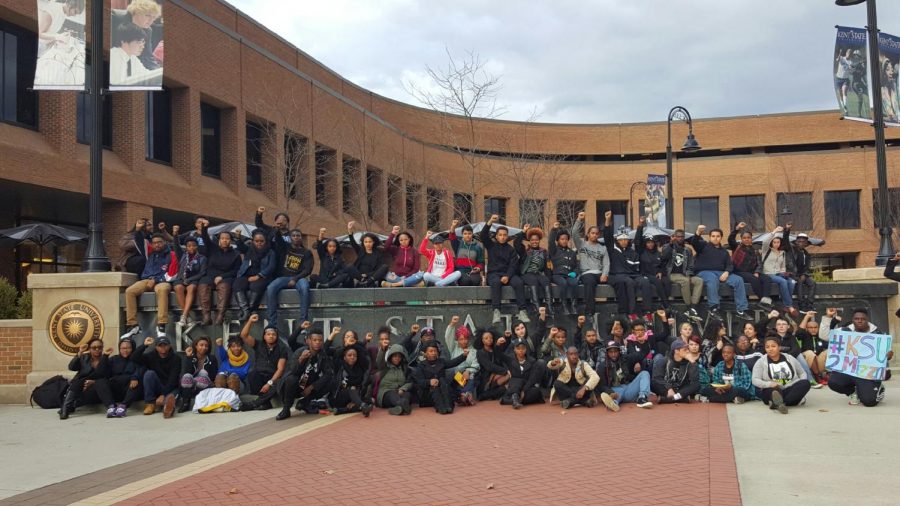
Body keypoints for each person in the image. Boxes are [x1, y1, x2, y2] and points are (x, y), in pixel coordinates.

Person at [825, 308, 889, 407]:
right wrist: (829, 318)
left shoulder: (877, 334)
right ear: (853, 319)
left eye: (862, 319)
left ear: (867, 319)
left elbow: (882, 358)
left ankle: (879, 389)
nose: (859, 321)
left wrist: (887, 357)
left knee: (869, 402)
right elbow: (825, 336)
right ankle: (852, 392)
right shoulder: (844, 330)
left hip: (867, 374)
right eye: (856, 318)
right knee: (833, 382)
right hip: (849, 370)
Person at [688, 225, 752, 320]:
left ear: (721, 237)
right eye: (713, 236)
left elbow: (730, 265)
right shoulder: (703, 246)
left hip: (721, 273)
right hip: (704, 272)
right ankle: (713, 308)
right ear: (710, 237)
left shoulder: (724, 252)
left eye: (718, 236)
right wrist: (698, 232)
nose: (715, 238)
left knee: (738, 280)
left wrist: (726, 272)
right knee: (712, 279)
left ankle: (741, 310)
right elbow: (694, 242)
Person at [122, 233, 176, 340]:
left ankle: (161, 325)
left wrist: (156, 280)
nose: (157, 245)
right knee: (129, 291)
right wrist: (138, 230)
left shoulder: (171, 254)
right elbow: (139, 242)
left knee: (163, 289)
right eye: (155, 243)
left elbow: (172, 274)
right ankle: (133, 325)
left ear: (164, 242)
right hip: (146, 279)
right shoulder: (149, 254)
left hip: (162, 280)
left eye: (159, 242)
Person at [603, 212, 653, 318]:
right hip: (618, 274)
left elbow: (638, 240)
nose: (624, 241)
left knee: (645, 281)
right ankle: (632, 312)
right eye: (621, 240)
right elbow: (607, 237)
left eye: (626, 239)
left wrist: (640, 225)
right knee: (629, 282)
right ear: (618, 240)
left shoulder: (632, 250)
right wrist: (607, 221)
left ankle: (648, 311)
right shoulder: (613, 249)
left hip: (634, 274)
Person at [482, 214, 529, 323]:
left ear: (507, 236)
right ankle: (496, 311)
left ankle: (522, 311)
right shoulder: (491, 245)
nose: (502, 237)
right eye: (500, 235)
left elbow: (514, 265)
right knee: (495, 283)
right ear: (496, 236)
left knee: (519, 282)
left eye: (504, 235)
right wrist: (490, 222)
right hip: (494, 274)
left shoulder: (511, 249)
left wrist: (507, 276)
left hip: (508, 274)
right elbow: (484, 235)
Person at [277, 331, 334, 420]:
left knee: (330, 381)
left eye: (320, 340)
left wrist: (312, 387)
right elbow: (293, 371)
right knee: (292, 379)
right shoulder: (300, 352)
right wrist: (301, 359)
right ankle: (286, 409)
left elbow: (328, 374)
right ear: (308, 341)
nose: (317, 342)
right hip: (294, 386)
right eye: (314, 340)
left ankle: (304, 403)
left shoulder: (322, 355)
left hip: (308, 385)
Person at [240, 315, 289, 411]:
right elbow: (244, 335)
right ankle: (265, 403)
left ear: (277, 336)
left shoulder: (282, 349)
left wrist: (269, 383)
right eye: (268, 334)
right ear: (264, 336)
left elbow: (280, 369)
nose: (271, 336)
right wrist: (250, 321)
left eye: (273, 334)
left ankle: (254, 404)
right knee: (252, 374)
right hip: (259, 376)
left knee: (279, 383)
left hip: (273, 378)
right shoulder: (258, 345)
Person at [266, 228, 314, 325]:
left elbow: (308, 270)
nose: (296, 237)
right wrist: (277, 230)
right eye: (294, 236)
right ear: (290, 238)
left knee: (305, 288)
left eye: (298, 236)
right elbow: (278, 239)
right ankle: (272, 323)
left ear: (301, 238)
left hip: (299, 278)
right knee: (270, 288)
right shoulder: (285, 247)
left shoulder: (307, 252)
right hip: (283, 278)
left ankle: (303, 320)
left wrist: (295, 279)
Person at [751, 336, 810, 414]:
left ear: (779, 347)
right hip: (773, 389)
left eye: (773, 346)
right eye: (767, 347)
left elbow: (802, 372)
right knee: (772, 391)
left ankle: (778, 403)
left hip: (789, 389)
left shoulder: (789, 358)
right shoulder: (761, 361)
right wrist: (769, 384)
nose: (770, 349)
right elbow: (755, 379)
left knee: (805, 383)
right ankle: (788, 401)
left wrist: (800, 381)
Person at [59, 338, 113, 420]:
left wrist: (93, 382)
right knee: (78, 382)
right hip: (81, 388)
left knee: (99, 382)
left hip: (97, 390)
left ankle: (111, 408)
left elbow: (105, 376)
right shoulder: (84, 358)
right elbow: (72, 367)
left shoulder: (106, 360)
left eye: (99, 347)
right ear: (90, 349)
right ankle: (65, 409)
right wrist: (80, 352)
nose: (97, 350)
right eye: (94, 348)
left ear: (102, 348)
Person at [199, 225, 242, 326]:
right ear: (219, 240)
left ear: (231, 241)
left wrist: (222, 277)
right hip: (211, 276)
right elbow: (205, 238)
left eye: (227, 239)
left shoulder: (235, 254)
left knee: (224, 286)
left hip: (226, 277)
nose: (224, 241)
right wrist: (204, 227)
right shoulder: (213, 249)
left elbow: (236, 271)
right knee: (203, 284)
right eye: (222, 238)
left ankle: (220, 315)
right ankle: (206, 315)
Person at [571, 211, 610, 317]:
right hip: (587, 273)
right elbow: (574, 233)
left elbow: (606, 263)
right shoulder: (581, 245)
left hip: (600, 273)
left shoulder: (602, 248)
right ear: (588, 234)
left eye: (597, 233)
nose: (594, 235)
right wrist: (579, 219)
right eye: (592, 233)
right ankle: (589, 312)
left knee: (618, 281)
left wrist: (604, 274)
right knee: (589, 283)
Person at [412, 343, 469, 414]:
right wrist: (429, 382)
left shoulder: (441, 361)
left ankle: (449, 406)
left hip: (443, 389)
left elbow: (453, 362)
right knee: (434, 387)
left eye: (435, 351)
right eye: (431, 351)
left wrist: (463, 355)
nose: (433, 353)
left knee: (443, 380)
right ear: (425, 353)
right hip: (428, 395)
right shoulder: (421, 366)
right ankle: (441, 408)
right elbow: (419, 382)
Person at [233, 230, 276, 322]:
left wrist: (259, 276)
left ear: (265, 241)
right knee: (238, 284)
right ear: (253, 241)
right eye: (257, 241)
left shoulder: (270, 252)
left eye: (261, 241)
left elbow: (271, 267)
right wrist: (238, 238)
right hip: (247, 275)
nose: (259, 243)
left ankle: (252, 309)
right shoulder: (249, 249)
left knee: (256, 286)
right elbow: (240, 247)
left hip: (263, 277)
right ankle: (245, 310)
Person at [660, 229, 703, 319]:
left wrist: (690, 274)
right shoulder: (667, 246)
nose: (680, 238)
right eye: (678, 236)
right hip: (671, 274)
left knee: (699, 281)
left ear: (684, 237)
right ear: (674, 237)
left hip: (684, 274)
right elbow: (664, 257)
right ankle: (689, 306)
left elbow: (691, 264)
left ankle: (693, 307)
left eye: (682, 236)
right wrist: (671, 244)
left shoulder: (688, 250)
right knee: (685, 281)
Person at [134, 336, 181, 418]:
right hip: (158, 386)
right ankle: (150, 404)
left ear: (169, 346)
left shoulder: (176, 358)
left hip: (171, 387)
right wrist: (144, 345)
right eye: (160, 346)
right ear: (156, 347)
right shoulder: (150, 356)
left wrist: (163, 394)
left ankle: (167, 408)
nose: (163, 348)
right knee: (149, 374)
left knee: (171, 397)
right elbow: (134, 358)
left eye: (165, 345)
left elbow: (173, 379)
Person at [727, 222, 773, 308]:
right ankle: (761, 300)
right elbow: (730, 239)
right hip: (739, 272)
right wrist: (737, 229)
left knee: (767, 278)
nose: (746, 239)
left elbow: (759, 264)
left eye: (748, 238)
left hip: (752, 272)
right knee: (753, 279)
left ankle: (765, 300)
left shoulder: (755, 250)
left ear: (751, 239)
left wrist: (757, 272)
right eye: (744, 238)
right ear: (741, 239)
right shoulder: (736, 247)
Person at [601, 339, 654, 410]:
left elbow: (641, 354)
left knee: (645, 373)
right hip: (614, 391)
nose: (613, 354)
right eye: (611, 352)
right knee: (620, 391)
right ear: (607, 353)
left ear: (619, 351)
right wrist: (610, 392)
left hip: (629, 388)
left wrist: (639, 362)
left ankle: (642, 399)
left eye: (615, 351)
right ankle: (614, 403)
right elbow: (602, 385)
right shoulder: (602, 366)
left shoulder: (626, 359)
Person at [513, 225, 553, 316]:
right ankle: (537, 307)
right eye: (532, 240)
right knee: (533, 281)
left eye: (536, 240)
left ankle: (549, 307)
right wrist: (523, 232)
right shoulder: (525, 251)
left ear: (539, 240)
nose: (534, 242)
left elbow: (548, 267)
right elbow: (516, 243)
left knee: (546, 281)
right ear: (529, 241)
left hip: (538, 274)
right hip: (527, 274)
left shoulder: (544, 252)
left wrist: (549, 278)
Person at [171, 232, 206, 331]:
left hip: (193, 279)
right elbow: (176, 245)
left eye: (194, 245)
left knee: (191, 288)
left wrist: (189, 280)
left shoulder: (202, 258)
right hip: (181, 279)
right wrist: (175, 235)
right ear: (186, 247)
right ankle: (188, 317)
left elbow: (202, 272)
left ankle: (184, 316)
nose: (192, 248)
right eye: (189, 246)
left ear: (197, 246)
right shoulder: (182, 255)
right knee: (178, 287)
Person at [500, 340, 546, 408]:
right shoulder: (510, 358)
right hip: (515, 385)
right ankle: (515, 399)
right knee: (516, 381)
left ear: (526, 349)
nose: (521, 350)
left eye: (523, 348)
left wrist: (524, 390)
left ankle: (511, 400)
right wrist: (499, 345)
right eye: (518, 348)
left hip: (527, 386)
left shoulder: (532, 360)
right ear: (514, 350)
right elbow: (499, 354)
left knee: (536, 392)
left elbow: (532, 379)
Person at [761, 226, 797, 314]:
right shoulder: (766, 250)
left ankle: (784, 302)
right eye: (774, 242)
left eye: (778, 242)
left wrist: (784, 273)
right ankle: (789, 306)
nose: (776, 244)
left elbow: (782, 266)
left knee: (792, 282)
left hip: (779, 273)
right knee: (783, 282)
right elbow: (765, 241)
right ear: (771, 243)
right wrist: (775, 231)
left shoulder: (782, 253)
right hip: (768, 274)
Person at [178, 335, 217, 413]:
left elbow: (213, 375)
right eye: (201, 345)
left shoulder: (212, 358)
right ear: (196, 346)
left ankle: (202, 402)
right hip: (190, 385)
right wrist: (189, 357)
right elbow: (186, 372)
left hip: (205, 384)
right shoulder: (191, 357)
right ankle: (185, 403)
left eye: (206, 346)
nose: (204, 347)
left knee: (203, 373)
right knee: (187, 376)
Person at [329, 348, 373, 416]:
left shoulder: (359, 371)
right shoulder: (339, 367)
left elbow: (361, 387)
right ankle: (362, 406)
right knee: (352, 388)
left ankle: (341, 410)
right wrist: (346, 345)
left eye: (354, 355)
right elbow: (334, 354)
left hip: (353, 397)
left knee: (370, 401)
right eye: (349, 355)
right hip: (337, 397)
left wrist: (354, 401)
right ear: (344, 357)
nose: (352, 357)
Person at [548, 223, 579, 315]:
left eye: (566, 239)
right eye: (562, 239)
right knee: (563, 283)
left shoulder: (572, 253)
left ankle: (573, 305)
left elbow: (576, 266)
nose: (564, 241)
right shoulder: (554, 250)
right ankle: (564, 305)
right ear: (558, 240)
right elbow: (550, 242)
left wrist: (575, 273)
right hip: (557, 275)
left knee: (574, 282)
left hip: (569, 275)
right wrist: (554, 229)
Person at [108, 337, 143, 418]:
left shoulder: (138, 359)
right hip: (116, 389)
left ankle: (123, 406)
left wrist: (134, 377)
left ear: (133, 348)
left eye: (128, 348)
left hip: (131, 390)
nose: (125, 350)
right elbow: (103, 373)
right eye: (123, 348)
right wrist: (105, 357)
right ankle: (111, 407)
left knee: (137, 383)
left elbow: (141, 370)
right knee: (101, 381)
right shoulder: (113, 359)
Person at [376, 343, 413, 415]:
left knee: (407, 394)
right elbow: (379, 360)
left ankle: (399, 409)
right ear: (390, 356)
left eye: (399, 357)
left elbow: (410, 382)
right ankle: (404, 406)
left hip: (399, 392)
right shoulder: (384, 367)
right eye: (395, 356)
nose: (397, 358)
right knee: (392, 394)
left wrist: (403, 389)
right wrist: (383, 350)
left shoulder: (404, 368)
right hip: (385, 394)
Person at [637, 231, 670, 311]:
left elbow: (662, 265)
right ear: (645, 243)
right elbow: (637, 241)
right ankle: (666, 305)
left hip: (657, 273)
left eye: (652, 242)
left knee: (666, 281)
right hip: (646, 274)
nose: (650, 244)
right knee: (657, 281)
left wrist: (660, 272)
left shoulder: (658, 253)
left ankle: (663, 302)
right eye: (648, 242)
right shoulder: (641, 252)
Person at [785, 226, 816, 312]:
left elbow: (807, 267)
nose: (801, 243)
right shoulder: (791, 250)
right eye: (799, 241)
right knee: (799, 281)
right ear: (796, 242)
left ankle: (810, 304)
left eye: (803, 242)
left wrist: (805, 274)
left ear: (806, 243)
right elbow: (785, 240)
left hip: (803, 275)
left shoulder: (807, 254)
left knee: (812, 283)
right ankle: (801, 304)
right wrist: (787, 230)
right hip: (792, 274)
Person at [347, 223, 388, 287]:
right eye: (365, 242)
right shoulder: (360, 251)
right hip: (359, 276)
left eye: (370, 242)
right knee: (349, 266)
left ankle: (367, 283)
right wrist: (349, 230)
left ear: (373, 242)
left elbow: (378, 269)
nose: (368, 244)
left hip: (371, 277)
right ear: (363, 242)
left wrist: (366, 275)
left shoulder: (378, 254)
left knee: (385, 267)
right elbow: (353, 243)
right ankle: (363, 281)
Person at [475, 329, 510, 401]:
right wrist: (505, 371)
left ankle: (489, 395)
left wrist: (507, 338)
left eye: (491, 337)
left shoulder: (495, 350)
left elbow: (504, 348)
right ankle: (484, 395)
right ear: (482, 340)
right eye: (486, 338)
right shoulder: (480, 353)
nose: (489, 339)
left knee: (507, 386)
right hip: (486, 379)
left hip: (498, 376)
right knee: (508, 377)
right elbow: (489, 366)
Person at [448, 221, 484, 287]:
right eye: (465, 234)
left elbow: (481, 263)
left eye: (469, 233)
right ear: (462, 235)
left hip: (473, 271)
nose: (467, 235)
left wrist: (478, 268)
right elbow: (452, 237)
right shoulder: (458, 244)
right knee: (465, 281)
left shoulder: (478, 247)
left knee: (475, 281)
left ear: (472, 234)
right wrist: (453, 226)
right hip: (460, 271)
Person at [835, 48, 852, 115]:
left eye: (850, 54)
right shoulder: (842, 58)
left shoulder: (850, 62)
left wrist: (851, 69)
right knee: (840, 94)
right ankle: (844, 108)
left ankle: (845, 105)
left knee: (844, 90)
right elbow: (837, 60)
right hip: (838, 78)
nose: (849, 55)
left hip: (845, 79)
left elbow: (850, 70)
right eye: (848, 53)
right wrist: (840, 53)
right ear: (846, 53)